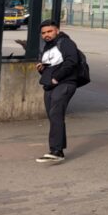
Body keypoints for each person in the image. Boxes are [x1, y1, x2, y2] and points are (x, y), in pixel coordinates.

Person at [35, 19, 80, 163]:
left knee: (55, 113)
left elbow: (72, 61)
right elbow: (51, 66)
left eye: (50, 31)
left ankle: (55, 150)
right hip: (50, 85)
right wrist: (42, 70)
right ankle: (58, 150)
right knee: (54, 116)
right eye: (43, 33)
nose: (46, 35)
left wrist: (56, 78)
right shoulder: (46, 47)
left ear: (57, 31)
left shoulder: (65, 43)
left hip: (65, 83)